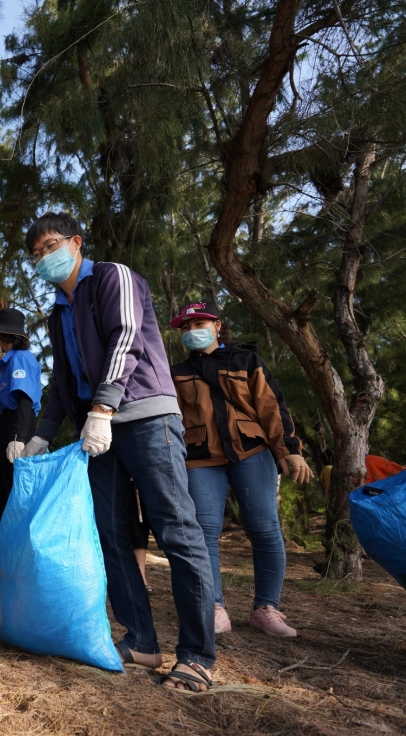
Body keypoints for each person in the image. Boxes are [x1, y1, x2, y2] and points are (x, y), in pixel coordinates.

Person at [20, 212, 216, 692]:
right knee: (109, 531)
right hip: (96, 430)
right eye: (36, 254)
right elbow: (64, 381)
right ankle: (142, 639)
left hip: (145, 416)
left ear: (76, 242)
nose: (45, 258)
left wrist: (105, 406)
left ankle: (196, 655)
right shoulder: (57, 313)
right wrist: (43, 433)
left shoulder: (113, 276)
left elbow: (125, 337)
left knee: (176, 529)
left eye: (51, 246)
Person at [170, 300, 313, 638]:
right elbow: (172, 420)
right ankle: (214, 606)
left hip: (252, 452)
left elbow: (272, 407)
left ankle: (267, 608)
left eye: (199, 324)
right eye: (186, 327)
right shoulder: (176, 372)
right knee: (204, 531)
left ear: (217, 326)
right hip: (201, 457)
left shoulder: (246, 359)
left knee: (264, 528)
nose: (193, 331)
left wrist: (289, 451)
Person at [0, 308, 42, 553]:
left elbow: (24, 401)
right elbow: (3, 410)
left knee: (18, 495)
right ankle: (10, 552)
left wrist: (17, 437)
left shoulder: (21, 359)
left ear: (7, 337)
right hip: (7, 427)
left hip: (20, 428)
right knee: (4, 494)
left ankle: (25, 551)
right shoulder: (6, 365)